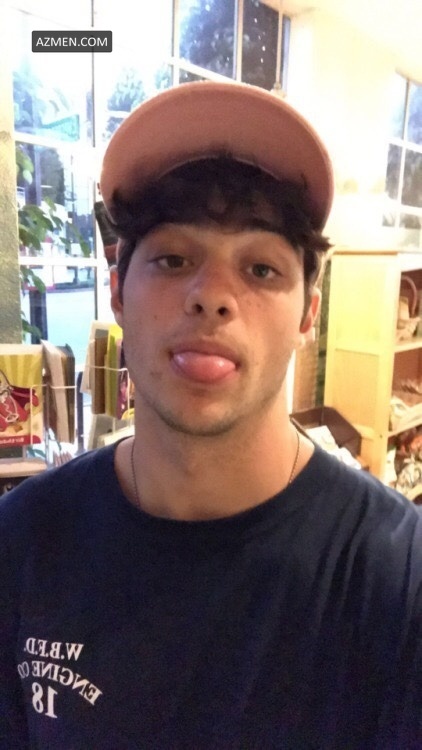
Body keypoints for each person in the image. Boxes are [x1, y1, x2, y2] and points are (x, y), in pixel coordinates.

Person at [1, 81, 421, 750]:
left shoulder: (396, 580)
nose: (212, 296)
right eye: (174, 259)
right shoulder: (22, 543)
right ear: (117, 291)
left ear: (308, 315)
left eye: (260, 270)